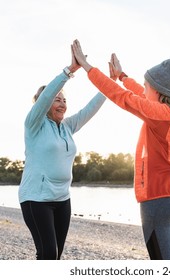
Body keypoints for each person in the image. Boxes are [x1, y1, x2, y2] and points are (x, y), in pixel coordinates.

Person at [72, 39, 170, 260]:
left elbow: (122, 97)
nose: (144, 88)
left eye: (146, 84)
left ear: (157, 89)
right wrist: (123, 77)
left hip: (160, 199)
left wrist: (87, 67)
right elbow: (140, 95)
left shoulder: (159, 115)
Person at [18, 44, 106, 260]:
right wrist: (69, 71)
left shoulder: (67, 127)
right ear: (44, 103)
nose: (62, 103)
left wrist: (109, 85)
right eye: (56, 99)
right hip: (36, 199)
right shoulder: (34, 125)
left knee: (56, 256)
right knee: (48, 254)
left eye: (64, 100)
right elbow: (47, 96)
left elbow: (89, 109)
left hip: (62, 199)